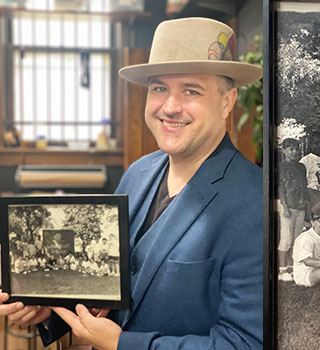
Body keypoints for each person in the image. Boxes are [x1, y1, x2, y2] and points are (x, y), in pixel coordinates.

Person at [0, 18, 264, 349]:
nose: (169, 106)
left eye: (191, 90)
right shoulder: (138, 174)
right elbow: (109, 286)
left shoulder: (255, 202)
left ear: (227, 102)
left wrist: (125, 344)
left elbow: (244, 343)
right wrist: (47, 307)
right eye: (159, 88)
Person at [277, 138, 307, 281]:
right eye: (291, 149)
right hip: (288, 206)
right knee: (286, 239)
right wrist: (285, 206)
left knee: (297, 239)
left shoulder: (302, 167)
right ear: (284, 150)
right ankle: (282, 270)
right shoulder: (282, 166)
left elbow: (304, 186)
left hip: (300, 206)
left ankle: (292, 266)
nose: (294, 152)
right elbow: (281, 188)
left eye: (296, 149)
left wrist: (305, 204)